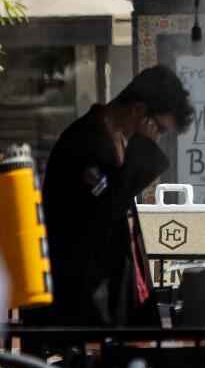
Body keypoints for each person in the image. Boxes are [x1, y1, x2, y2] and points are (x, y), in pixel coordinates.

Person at [25, 65, 194, 328]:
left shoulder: (116, 141)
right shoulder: (84, 142)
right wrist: (143, 154)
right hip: (87, 299)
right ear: (139, 111)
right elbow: (102, 208)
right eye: (158, 129)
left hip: (115, 292)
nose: (156, 138)